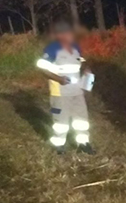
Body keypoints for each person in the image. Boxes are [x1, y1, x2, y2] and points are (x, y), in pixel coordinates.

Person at [36, 21, 95, 155]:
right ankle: (59, 146)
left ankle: (83, 143)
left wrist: (86, 69)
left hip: (77, 91)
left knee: (81, 120)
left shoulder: (75, 47)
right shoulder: (52, 48)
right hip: (60, 92)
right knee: (61, 122)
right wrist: (59, 79)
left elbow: (82, 61)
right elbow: (41, 68)